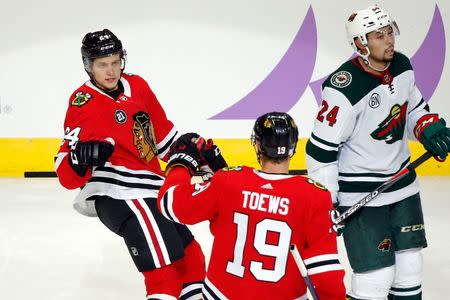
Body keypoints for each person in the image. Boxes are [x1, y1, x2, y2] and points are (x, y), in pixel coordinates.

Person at [306, 5, 450, 300]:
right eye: (378, 35)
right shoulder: (343, 88)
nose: (389, 40)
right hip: (360, 194)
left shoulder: (402, 66)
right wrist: (327, 201)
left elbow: (413, 111)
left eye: (389, 32)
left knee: (410, 267)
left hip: (403, 185)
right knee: (375, 277)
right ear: (361, 43)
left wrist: (426, 128)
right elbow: (320, 150)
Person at [54, 29, 206, 300]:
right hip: (120, 194)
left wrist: (196, 155)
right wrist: (80, 159)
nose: (111, 71)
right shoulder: (83, 103)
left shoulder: (138, 86)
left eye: (115, 62)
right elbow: (66, 175)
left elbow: (163, 140)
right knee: (165, 275)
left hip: (151, 191)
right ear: (88, 66)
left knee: (192, 260)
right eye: (102, 65)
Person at [157, 112, 346, 299]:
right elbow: (326, 276)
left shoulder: (227, 182)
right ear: (293, 146)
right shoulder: (315, 196)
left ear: (257, 145)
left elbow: (171, 204)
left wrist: (181, 163)